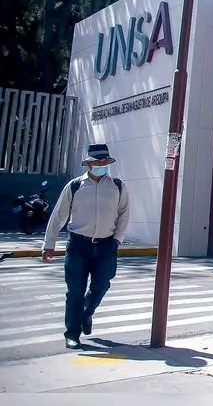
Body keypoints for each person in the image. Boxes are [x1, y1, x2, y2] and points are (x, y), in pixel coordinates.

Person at [42, 143, 130, 349]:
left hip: (106, 246)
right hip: (78, 245)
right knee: (75, 291)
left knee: (101, 286)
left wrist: (117, 240)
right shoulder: (74, 186)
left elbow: (124, 214)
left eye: (105, 162)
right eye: (97, 162)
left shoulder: (117, 186)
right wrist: (49, 244)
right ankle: (72, 334)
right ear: (88, 164)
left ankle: (86, 312)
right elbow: (59, 215)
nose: (101, 165)